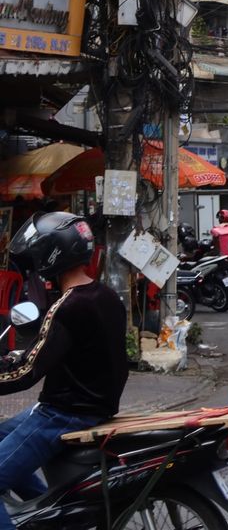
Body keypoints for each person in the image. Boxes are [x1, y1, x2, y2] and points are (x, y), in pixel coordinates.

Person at [0, 212, 128, 529]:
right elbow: (61, 352)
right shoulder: (106, 296)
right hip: (94, 407)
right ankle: (52, 519)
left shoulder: (68, 305)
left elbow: (27, 372)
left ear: (50, 254)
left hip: (63, 414)